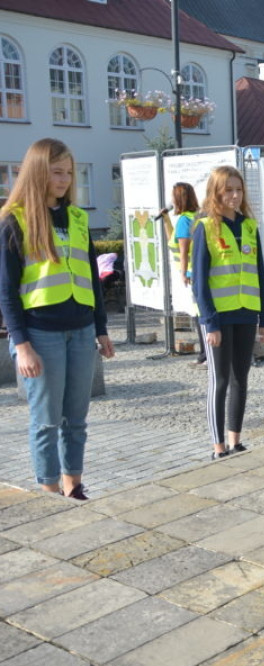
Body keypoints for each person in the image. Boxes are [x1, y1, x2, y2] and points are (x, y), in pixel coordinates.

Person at [0, 138, 115, 499]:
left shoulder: (79, 219)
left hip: (81, 331)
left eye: (69, 172)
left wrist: (101, 329)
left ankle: (73, 485)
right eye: (56, 173)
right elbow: (6, 292)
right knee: (47, 421)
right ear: (37, 173)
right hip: (40, 335)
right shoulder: (14, 220)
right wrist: (22, 346)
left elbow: (92, 281)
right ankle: (48, 491)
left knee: (77, 420)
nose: (64, 180)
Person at [191, 166, 264, 460]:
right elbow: (199, 281)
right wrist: (210, 322)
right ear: (216, 192)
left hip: (246, 313)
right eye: (228, 190)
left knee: (241, 379)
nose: (235, 196)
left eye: (238, 190)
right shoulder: (205, 227)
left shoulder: (249, 226)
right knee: (220, 380)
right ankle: (218, 447)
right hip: (219, 319)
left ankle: (236, 441)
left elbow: (259, 274)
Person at [161, 182, 205, 366]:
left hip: (193, 272)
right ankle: (205, 354)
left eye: (173, 196)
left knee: (199, 314)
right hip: (200, 270)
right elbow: (173, 239)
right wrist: (165, 219)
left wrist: (184, 273)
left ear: (179, 198)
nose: (171, 200)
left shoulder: (185, 220)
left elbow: (183, 248)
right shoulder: (196, 216)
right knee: (201, 312)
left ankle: (205, 354)